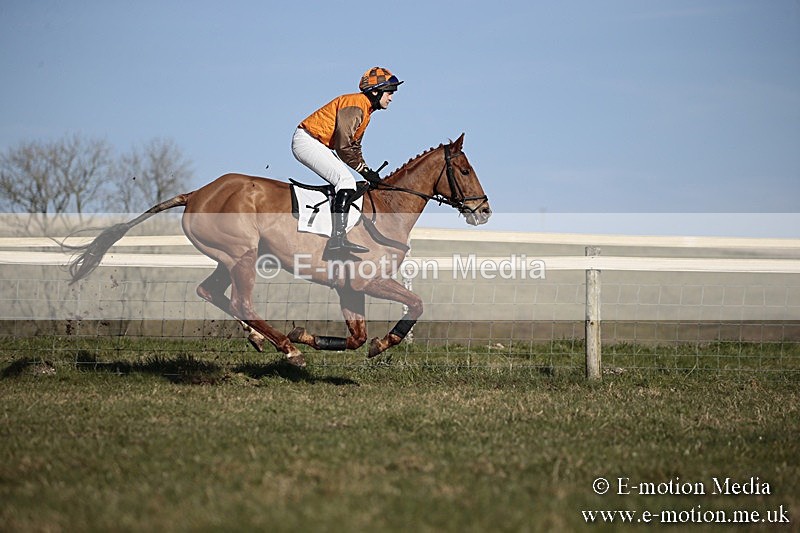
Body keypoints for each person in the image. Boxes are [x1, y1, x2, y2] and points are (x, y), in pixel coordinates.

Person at [292, 67, 403, 254]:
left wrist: (366, 170)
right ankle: (337, 238)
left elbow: (354, 147)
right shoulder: (356, 105)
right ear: (375, 91)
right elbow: (344, 147)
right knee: (345, 182)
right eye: (389, 93)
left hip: (316, 142)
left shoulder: (366, 110)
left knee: (348, 181)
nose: (391, 98)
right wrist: (364, 170)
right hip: (308, 141)